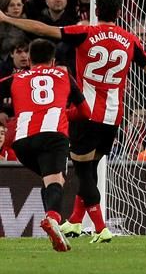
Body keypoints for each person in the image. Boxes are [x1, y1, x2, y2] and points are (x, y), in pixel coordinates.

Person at [0, 0, 146, 243]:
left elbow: (44, 30)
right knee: (90, 168)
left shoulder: (85, 32)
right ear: (118, 12)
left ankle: (101, 228)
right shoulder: (130, 39)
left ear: (96, 10)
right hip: (113, 116)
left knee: (84, 173)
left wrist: (8, 19)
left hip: (87, 115)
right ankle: (75, 221)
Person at [0, 38, 89, 252]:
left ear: (29, 60)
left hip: (22, 142)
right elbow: (86, 112)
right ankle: (52, 219)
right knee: (55, 182)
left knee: (50, 181)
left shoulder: (15, 77)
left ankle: (53, 228)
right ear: (53, 60)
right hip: (53, 136)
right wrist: (61, 112)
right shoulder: (64, 75)